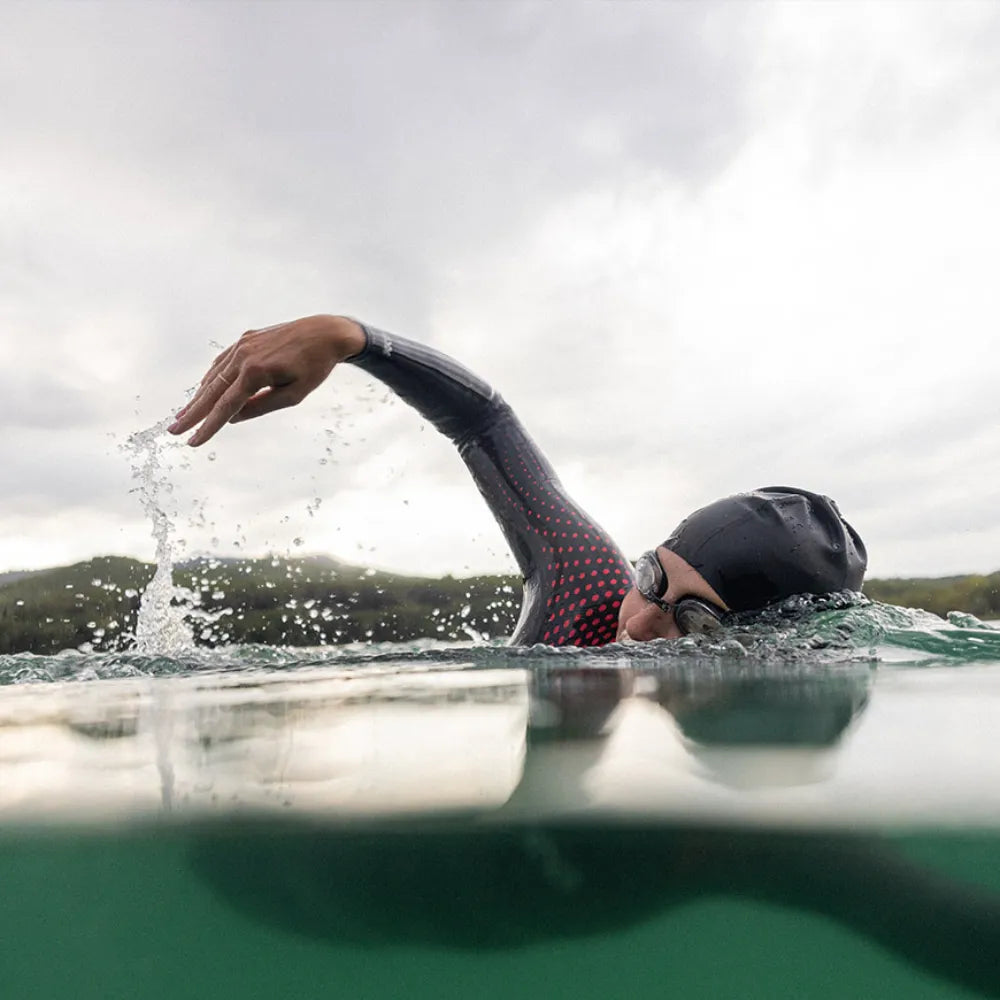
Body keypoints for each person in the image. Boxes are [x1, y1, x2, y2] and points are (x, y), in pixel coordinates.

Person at [169, 315, 867, 647]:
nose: (643, 620)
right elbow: (485, 421)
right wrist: (349, 338)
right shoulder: (590, 596)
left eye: (696, 618)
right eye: (653, 577)